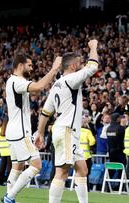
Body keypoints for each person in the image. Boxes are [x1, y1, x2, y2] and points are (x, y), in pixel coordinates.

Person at [35, 39, 99, 203]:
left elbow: (45, 112)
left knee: (82, 169)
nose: (80, 66)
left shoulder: (56, 84)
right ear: (72, 66)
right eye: (78, 64)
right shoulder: (71, 80)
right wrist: (93, 47)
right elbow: (93, 67)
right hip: (67, 131)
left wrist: (40, 133)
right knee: (62, 172)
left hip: (65, 131)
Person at [3, 52, 61, 203]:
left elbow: (36, 90)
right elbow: (39, 86)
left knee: (17, 166)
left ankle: (9, 195)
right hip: (20, 132)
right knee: (36, 165)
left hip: (13, 131)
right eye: (29, 65)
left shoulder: (12, 81)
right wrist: (54, 69)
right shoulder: (17, 81)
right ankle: (9, 197)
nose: (31, 67)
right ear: (20, 65)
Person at [80, 114, 96, 190]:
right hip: (86, 155)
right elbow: (92, 141)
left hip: (76, 155)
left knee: (78, 172)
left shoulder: (75, 131)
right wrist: (90, 146)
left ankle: (77, 186)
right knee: (86, 173)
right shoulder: (87, 131)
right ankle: (86, 188)